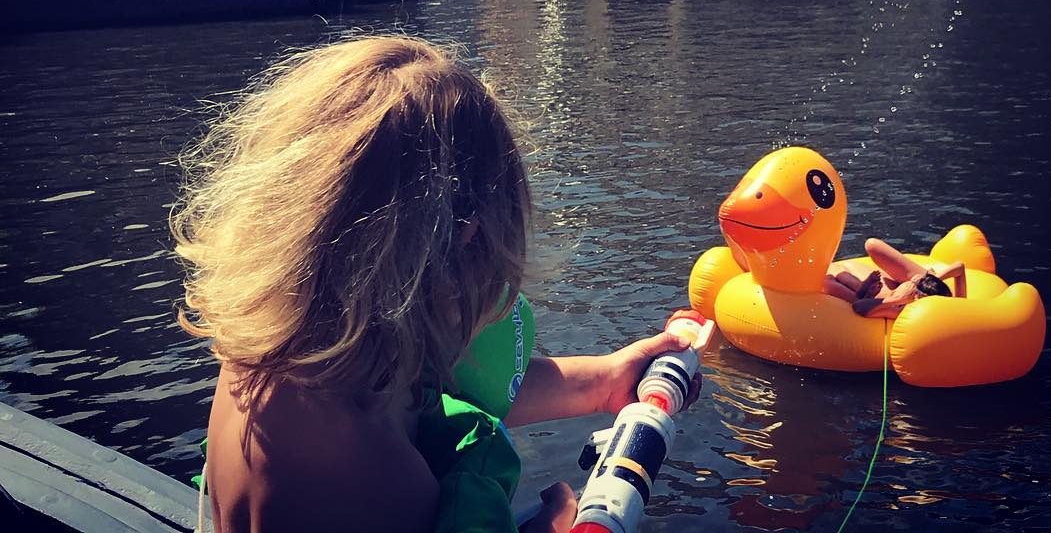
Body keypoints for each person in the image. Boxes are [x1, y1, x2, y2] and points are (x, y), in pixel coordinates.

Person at [171, 37, 699, 533]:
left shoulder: (284, 358)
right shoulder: (380, 479)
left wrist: (605, 382)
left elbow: (446, 393)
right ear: (470, 238)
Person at [825, 237, 967, 319]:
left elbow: (859, 307)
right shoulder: (956, 307)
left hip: (890, 297)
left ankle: (861, 290)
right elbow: (959, 267)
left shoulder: (906, 311)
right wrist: (929, 279)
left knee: (828, 282)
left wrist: (898, 299)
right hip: (925, 283)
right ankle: (861, 288)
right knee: (872, 244)